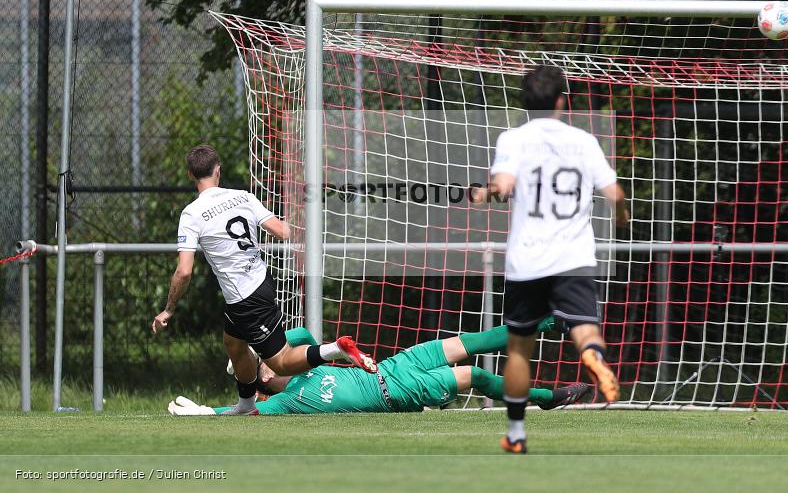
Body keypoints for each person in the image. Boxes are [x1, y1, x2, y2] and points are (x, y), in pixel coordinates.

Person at [472, 65, 629, 454]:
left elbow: (503, 187)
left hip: (528, 260)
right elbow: (615, 194)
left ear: (525, 102)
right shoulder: (584, 141)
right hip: (574, 257)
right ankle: (593, 356)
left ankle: (516, 434)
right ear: (562, 101)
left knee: (519, 350)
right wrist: (622, 220)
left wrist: (484, 193)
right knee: (585, 328)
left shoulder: (513, 138)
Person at [152, 144, 377, 415]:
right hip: (261, 282)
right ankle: (247, 405)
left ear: (190, 174)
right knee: (234, 343)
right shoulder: (243, 197)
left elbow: (184, 271)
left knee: (281, 361)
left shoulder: (192, 214)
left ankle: (335, 349)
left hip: (246, 298)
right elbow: (283, 231)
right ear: (218, 170)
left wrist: (169, 309)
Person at [167, 318, 589, 415]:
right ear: (261, 385)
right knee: (475, 375)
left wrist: (261, 349)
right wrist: (209, 412)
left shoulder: (304, 367)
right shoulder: (287, 402)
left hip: (397, 365)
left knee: (472, 341)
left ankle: (546, 322)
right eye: (258, 372)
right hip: (396, 393)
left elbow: (302, 335)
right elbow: (248, 413)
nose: (263, 369)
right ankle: (545, 398)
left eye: (261, 365)